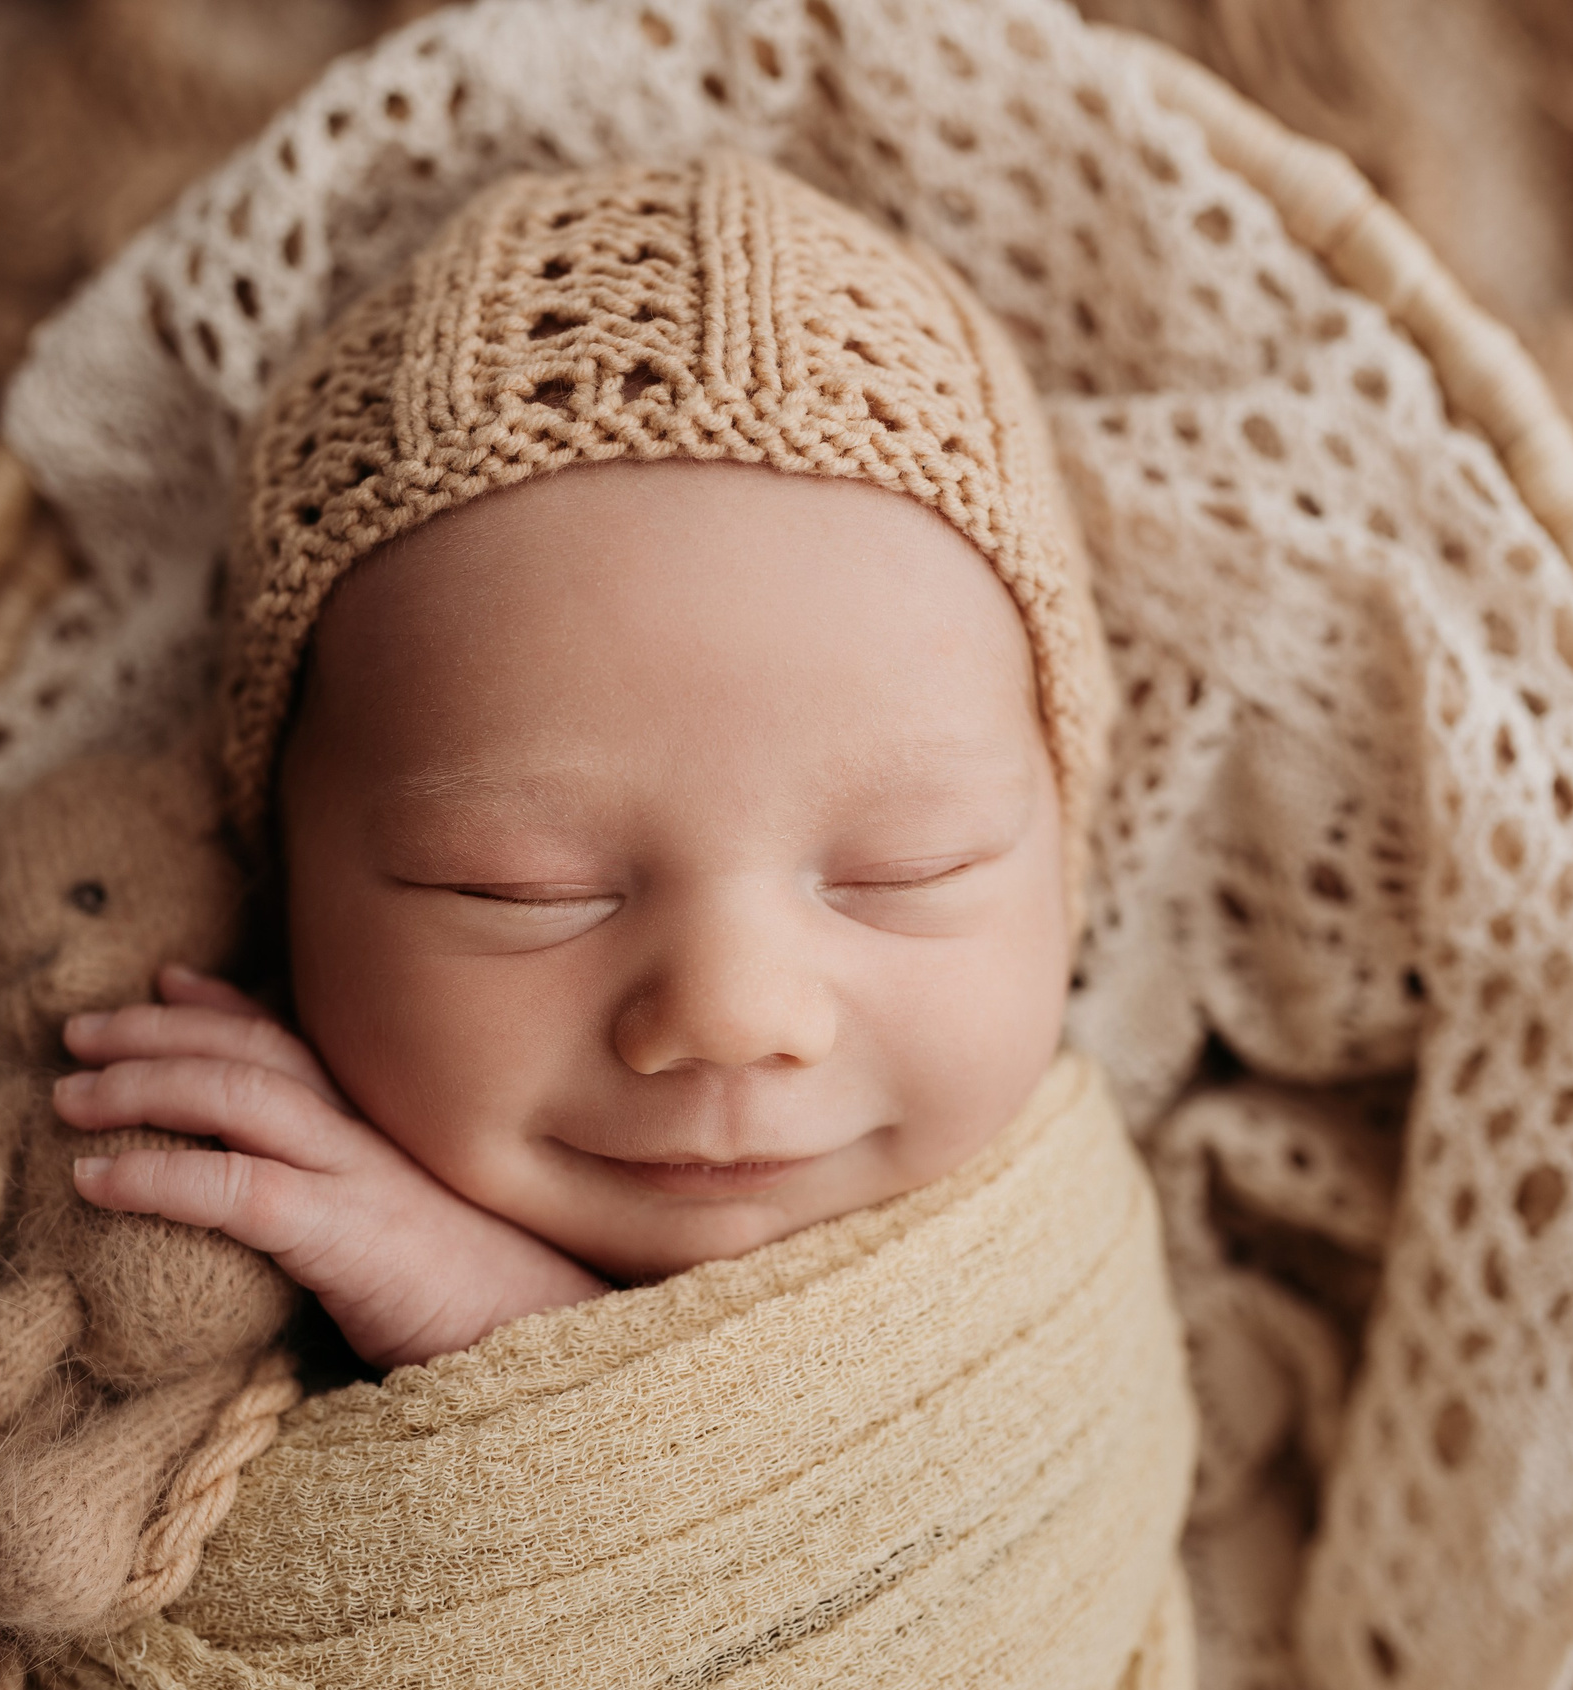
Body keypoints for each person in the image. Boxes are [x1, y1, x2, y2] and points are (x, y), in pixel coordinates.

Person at [56, 149, 1113, 1371]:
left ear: (1065, 865)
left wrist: (507, 1334)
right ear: (278, 870)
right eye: (522, 890)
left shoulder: (1070, 1237)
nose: (728, 1013)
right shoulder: (220, 1214)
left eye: (910, 870)